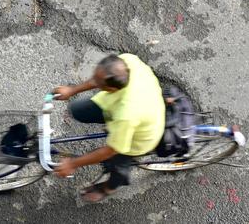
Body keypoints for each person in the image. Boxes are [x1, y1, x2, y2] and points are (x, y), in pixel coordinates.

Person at [52, 53, 165, 203]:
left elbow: (109, 151)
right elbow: (100, 79)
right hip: (123, 105)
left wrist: (73, 164)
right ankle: (115, 128)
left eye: (99, 84)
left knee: (117, 163)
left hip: (140, 136)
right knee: (79, 110)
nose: (94, 82)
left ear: (111, 88)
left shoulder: (127, 114)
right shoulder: (126, 61)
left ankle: (109, 188)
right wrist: (72, 90)